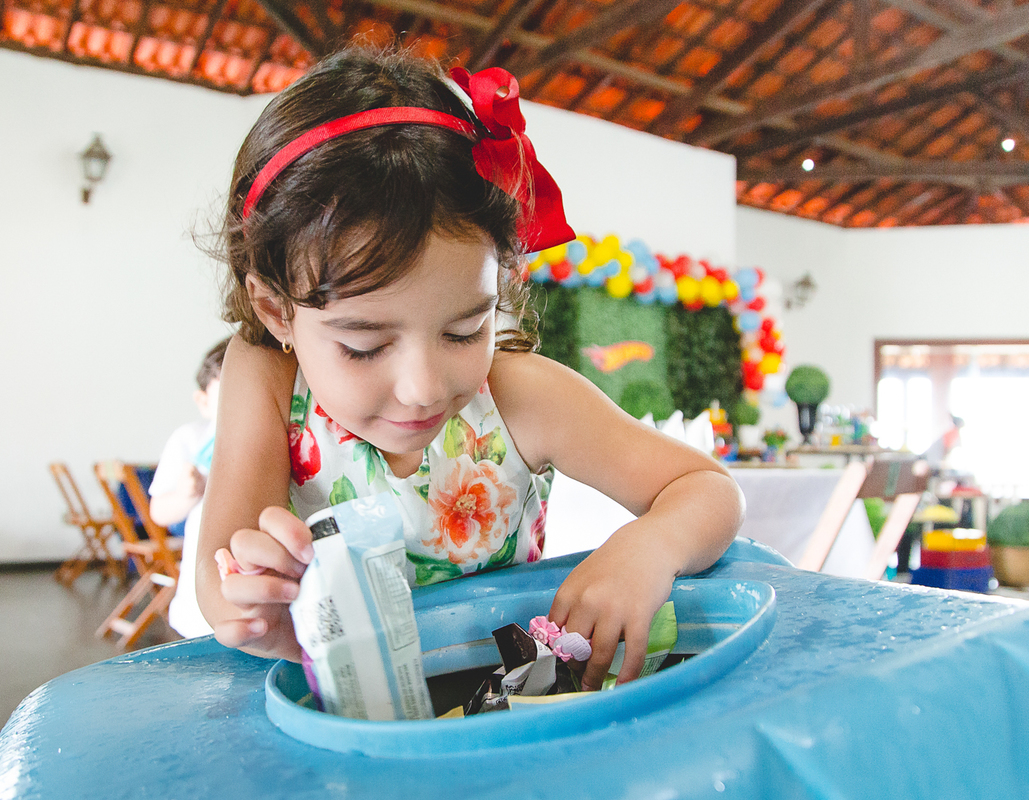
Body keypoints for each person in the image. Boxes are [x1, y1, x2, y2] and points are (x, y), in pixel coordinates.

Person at [196, 47, 744, 692]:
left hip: (507, 709)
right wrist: (254, 600)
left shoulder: (517, 397)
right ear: (276, 310)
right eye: (364, 346)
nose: (424, 387)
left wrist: (651, 546)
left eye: (464, 330)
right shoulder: (267, 375)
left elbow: (709, 490)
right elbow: (220, 574)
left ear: (501, 283)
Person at [148, 335, 230, 638]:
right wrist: (187, 493)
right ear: (203, 401)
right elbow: (159, 512)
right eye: (228, 396)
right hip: (200, 588)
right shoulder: (190, 438)